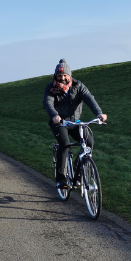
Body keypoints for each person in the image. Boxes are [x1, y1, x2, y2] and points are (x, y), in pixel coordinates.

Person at [43, 59, 108, 189]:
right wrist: (55, 116)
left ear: (69, 75)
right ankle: (61, 179)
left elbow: (89, 98)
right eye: (59, 76)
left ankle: (78, 173)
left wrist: (99, 113)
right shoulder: (51, 88)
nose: (62, 78)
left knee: (88, 143)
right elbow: (48, 103)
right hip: (60, 123)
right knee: (65, 145)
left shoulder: (78, 86)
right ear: (56, 75)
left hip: (75, 122)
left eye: (65, 75)